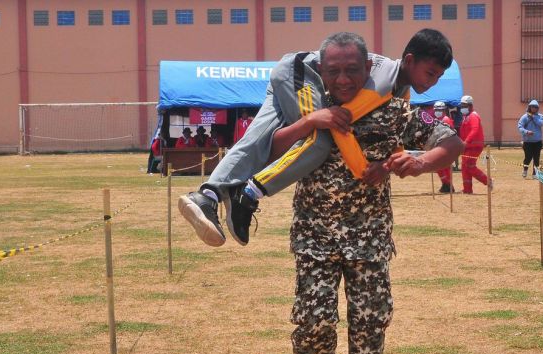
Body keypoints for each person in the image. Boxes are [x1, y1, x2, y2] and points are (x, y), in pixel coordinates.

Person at [276, 32, 462, 354]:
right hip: (314, 235)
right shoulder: (305, 102)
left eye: (352, 70)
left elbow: (452, 140)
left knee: (370, 327)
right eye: (334, 70)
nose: (343, 78)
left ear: (370, 69)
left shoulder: (393, 108)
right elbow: (265, 146)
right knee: (312, 322)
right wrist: (311, 122)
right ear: (322, 71)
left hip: (369, 238)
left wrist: (418, 162)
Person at [178, 29, 454, 247]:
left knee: (257, 138)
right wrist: (363, 169)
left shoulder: (400, 90)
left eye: (439, 77)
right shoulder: (383, 79)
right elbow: (340, 121)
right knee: (319, 141)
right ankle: (247, 194)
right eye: (430, 73)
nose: (432, 82)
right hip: (302, 72)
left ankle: (208, 195)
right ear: (408, 61)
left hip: (289, 72)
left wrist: (386, 165)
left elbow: (392, 138)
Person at [458, 95, 490, 193]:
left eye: (465, 105)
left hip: (474, 145)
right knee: (464, 166)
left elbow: (475, 129)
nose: (462, 107)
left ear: (470, 105)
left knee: (469, 165)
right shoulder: (466, 116)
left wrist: (466, 141)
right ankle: (467, 189)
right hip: (467, 145)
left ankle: (488, 181)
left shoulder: (473, 116)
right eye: (462, 105)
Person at [517, 99, 543, 179]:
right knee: (528, 157)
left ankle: (535, 173)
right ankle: (525, 170)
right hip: (527, 141)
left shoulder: (541, 116)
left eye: (536, 107)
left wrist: (533, 117)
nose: (534, 108)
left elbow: (541, 123)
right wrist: (526, 132)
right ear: (529, 107)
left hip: (537, 141)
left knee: (536, 158)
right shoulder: (524, 117)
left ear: (538, 108)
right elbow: (520, 126)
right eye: (532, 107)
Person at [432, 100, 455, 192]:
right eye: (436, 110)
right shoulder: (437, 120)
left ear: (444, 110)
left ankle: (449, 185)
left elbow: (450, 133)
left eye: (439, 110)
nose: (437, 111)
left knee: (445, 167)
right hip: (438, 146)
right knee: (439, 167)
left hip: (446, 147)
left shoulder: (446, 120)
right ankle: (445, 183)